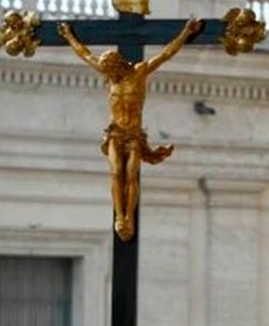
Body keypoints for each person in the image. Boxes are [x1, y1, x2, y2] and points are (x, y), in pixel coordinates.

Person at [58, 17, 203, 241]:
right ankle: (120, 216)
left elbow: (165, 55)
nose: (109, 76)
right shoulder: (110, 75)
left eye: (111, 71)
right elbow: (85, 54)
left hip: (134, 134)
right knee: (116, 172)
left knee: (131, 174)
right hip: (115, 133)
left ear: (117, 65)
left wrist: (186, 33)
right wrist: (68, 35)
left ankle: (129, 217)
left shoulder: (139, 73)